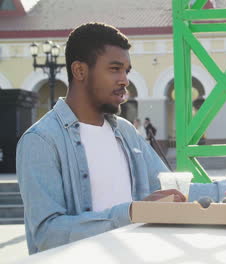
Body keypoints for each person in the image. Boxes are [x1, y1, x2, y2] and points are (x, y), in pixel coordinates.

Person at [16, 22, 186, 254]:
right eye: (115, 69)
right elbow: (48, 234)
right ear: (80, 71)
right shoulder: (41, 141)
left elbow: (173, 189)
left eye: (126, 70)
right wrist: (131, 213)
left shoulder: (125, 132)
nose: (124, 80)